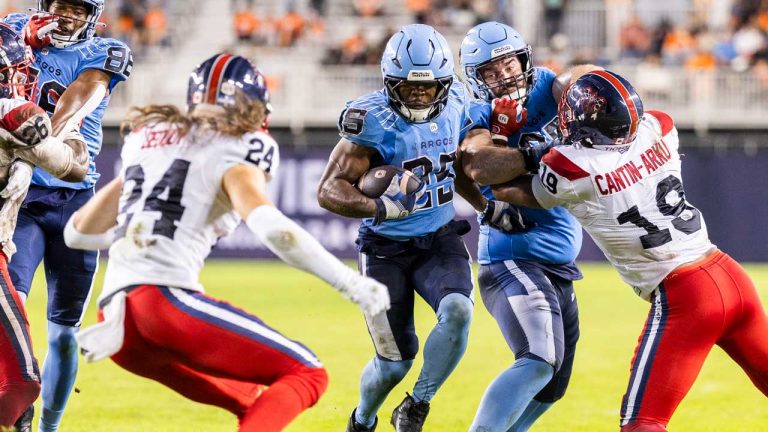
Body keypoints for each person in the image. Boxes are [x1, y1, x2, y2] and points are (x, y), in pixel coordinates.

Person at [62, 53, 390, 432]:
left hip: (115, 319)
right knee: (308, 373)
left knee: (251, 400)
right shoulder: (238, 146)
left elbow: (78, 233)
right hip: (164, 303)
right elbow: (273, 230)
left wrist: (139, 238)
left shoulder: (147, 140)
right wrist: (350, 283)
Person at [490, 69, 768, 431]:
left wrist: (502, 136)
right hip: (729, 275)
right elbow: (640, 126)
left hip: (686, 295)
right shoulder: (660, 129)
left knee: (643, 423)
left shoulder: (575, 168)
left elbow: (502, 186)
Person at [317, 24, 497, 432]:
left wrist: (487, 206)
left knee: (458, 311)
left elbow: (455, 169)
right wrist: (378, 206)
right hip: (384, 249)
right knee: (394, 364)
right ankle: (362, 420)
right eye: (408, 87)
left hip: (438, 238)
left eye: (428, 87)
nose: (418, 95)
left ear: (444, 84)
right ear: (389, 82)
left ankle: (416, 405)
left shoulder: (458, 105)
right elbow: (328, 189)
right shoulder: (370, 121)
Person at [458, 21, 596, 431]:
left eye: (509, 64)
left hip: (557, 259)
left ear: (524, 60)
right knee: (538, 359)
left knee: (552, 387)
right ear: (477, 79)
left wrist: (585, 81)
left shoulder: (549, 86)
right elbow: (479, 164)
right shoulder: (477, 112)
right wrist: (536, 151)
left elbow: (583, 77)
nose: (504, 76)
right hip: (512, 255)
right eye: (491, 71)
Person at [2, 1, 132, 430]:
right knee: (11, 306)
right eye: (61, 4)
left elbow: (85, 91)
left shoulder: (105, 51)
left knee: (63, 334)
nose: (67, 15)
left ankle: (49, 428)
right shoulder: (15, 29)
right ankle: (17, 403)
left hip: (76, 202)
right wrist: (20, 39)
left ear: (92, 16)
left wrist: (43, 139)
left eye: (78, 8)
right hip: (21, 197)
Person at [0, 23, 89, 429]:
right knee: (20, 385)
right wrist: (74, 140)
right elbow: (73, 167)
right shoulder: (17, 115)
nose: (23, 77)